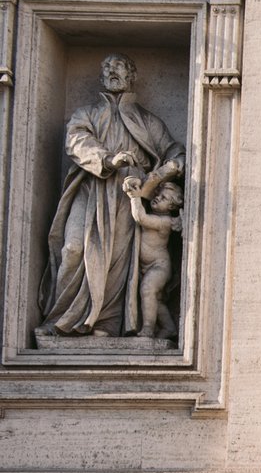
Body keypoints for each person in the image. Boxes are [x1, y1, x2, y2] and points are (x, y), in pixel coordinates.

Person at [38, 54, 185, 339]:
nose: (111, 70)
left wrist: (171, 167)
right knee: (73, 249)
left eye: (118, 66)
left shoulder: (148, 121)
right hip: (90, 189)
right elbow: (76, 141)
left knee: (116, 262)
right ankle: (59, 319)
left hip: (126, 197)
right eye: (106, 66)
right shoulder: (86, 114)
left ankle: (105, 323)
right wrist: (108, 159)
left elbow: (173, 150)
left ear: (132, 75)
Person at [123, 175, 182, 339]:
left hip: (159, 266)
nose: (158, 198)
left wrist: (135, 198)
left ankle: (148, 328)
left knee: (147, 290)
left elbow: (141, 218)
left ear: (171, 206)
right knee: (156, 299)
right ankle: (169, 327)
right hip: (147, 266)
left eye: (164, 199)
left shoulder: (165, 222)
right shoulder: (156, 214)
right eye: (158, 194)